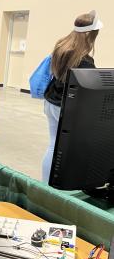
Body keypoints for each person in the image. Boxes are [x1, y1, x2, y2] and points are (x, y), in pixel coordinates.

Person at [42, 10, 102, 182]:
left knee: (53, 144)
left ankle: (46, 184)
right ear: (91, 34)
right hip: (67, 107)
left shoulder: (61, 46)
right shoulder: (85, 59)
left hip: (51, 101)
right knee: (70, 149)